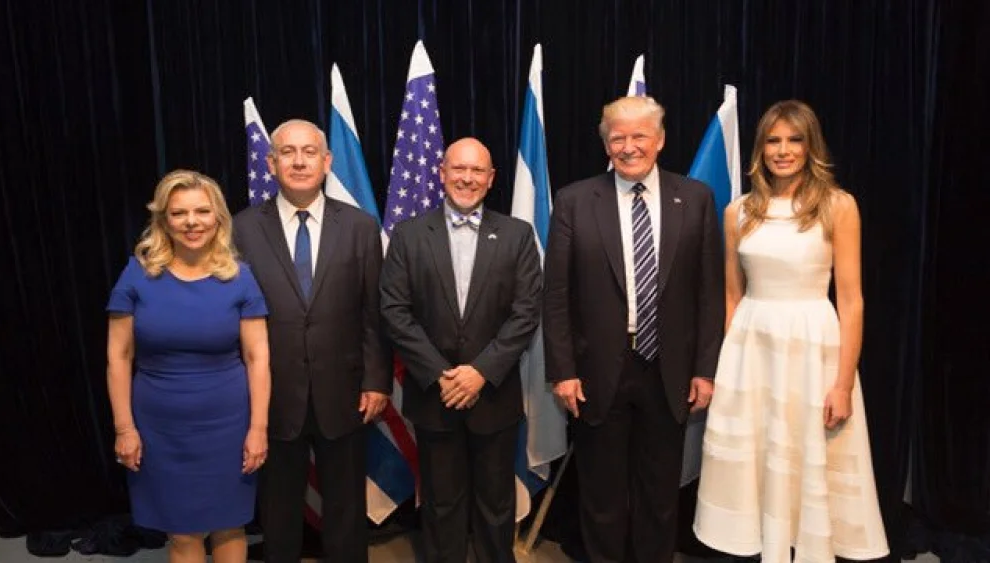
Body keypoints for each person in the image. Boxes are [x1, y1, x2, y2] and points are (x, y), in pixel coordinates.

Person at [693, 100, 889, 563]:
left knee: (807, 464)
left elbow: (852, 300)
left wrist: (842, 383)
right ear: (761, 149)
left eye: (794, 140)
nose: (783, 151)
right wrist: (728, 368)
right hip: (751, 352)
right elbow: (731, 297)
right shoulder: (738, 212)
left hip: (813, 352)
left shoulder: (839, 206)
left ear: (811, 146)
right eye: (773, 141)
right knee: (755, 466)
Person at [542, 96, 725, 563]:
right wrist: (562, 370)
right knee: (600, 497)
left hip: (671, 372)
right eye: (617, 137)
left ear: (659, 140)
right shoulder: (575, 200)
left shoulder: (697, 199)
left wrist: (706, 369)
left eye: (638, 135)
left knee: (659, 497)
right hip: (597, 372)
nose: (628, 147)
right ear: (606, 144)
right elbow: (557, 295)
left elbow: (709, 293)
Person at [233, 119, 391, 563]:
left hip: (344, 391)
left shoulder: (360, 227)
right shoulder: (242, 229)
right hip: (272, 394)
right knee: (279, 506)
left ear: (327, 161)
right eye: (287, 152)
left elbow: (372, 312)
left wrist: (377, 380)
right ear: (271, 163)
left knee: (345, 504)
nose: (299, 161)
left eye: (309, 152)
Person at [380, 137, 542, 563]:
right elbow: (395, 312)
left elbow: (526, 313)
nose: (467, 178)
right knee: (441, 502)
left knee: (495, 504)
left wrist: (480, 372)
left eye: (477, 171)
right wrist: (441, 374)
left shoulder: (517, 235)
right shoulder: (409, 234)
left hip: (493, 393)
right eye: (458, 169)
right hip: (436, 394)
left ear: (490, 180)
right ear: (441, 173)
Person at [106, 169, 271, 563]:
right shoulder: (137, 274)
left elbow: (258, 357)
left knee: (230, 526)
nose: (192, 222)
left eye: (202, 211)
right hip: (160, 428)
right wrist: (124, 428)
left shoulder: (240, 278)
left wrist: (258, 428)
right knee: (182, 533)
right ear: (163, 219)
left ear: (218, 218)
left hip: (229, 425)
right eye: (179, 213)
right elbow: (118, 357)